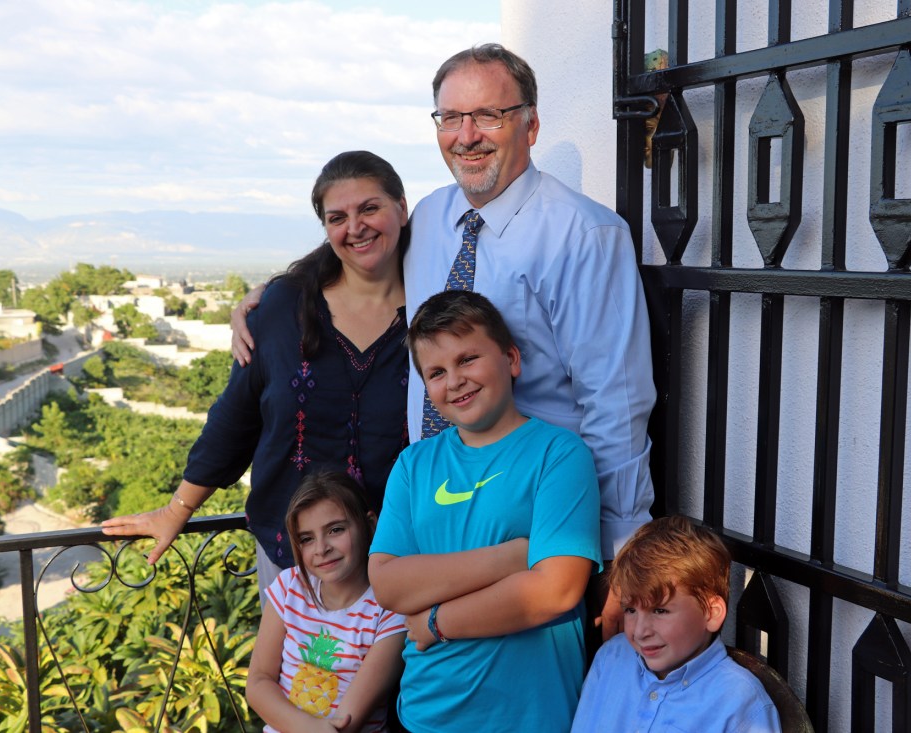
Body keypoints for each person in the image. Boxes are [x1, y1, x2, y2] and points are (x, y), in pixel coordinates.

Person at [232, 43, 655, 636]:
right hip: (431, 514)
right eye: (450, 118)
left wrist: (621, 552)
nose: (467, 135)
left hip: (531, 524)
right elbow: (357, 250)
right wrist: (268, 297)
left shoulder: (583, 235)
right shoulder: (430, 218)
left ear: (530, 125)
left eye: (488, 115)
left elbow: (616, 402)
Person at [102, 151, 411, 590]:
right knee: (293, 664)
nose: (355, 227)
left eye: (369, 208)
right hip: (295, 561)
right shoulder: (285, 309)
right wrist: (178, 510)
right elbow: (237, 417)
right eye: (337, 217)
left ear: (401, 206)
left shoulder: (433, 310)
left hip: (397, 559)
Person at [368, 290, 601, 732]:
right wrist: (512, 558)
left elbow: (556, 592)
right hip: (426, 713)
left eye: (467, 359)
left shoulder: (559, 454)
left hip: (528, 717)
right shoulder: (414, 465)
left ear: (511, 359)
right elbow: (388, 583)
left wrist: (437, 622)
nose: (454, 380)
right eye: (436, 372)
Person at [570, 516, 781, 732]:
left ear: (711, 613)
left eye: (660, 611)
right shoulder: (611, 657)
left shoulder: (741, 706)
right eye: (630, 610)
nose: (640, 632)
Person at [247, 471, 406, 733]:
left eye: (335, 530)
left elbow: (348, 720)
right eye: (307, 539)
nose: (321, 548)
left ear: (370, 525)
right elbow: (258, 682)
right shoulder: (290, 587)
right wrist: (308, 727)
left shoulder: (388, 608)